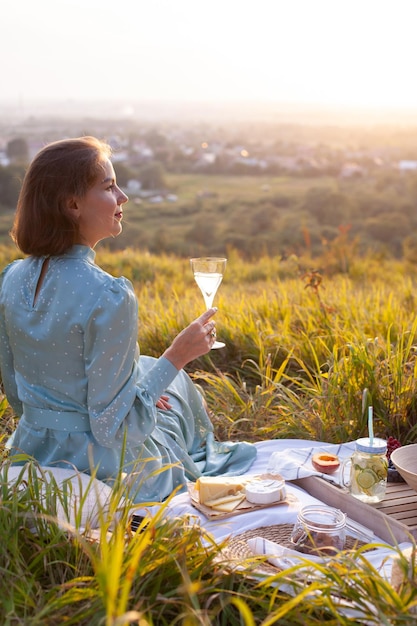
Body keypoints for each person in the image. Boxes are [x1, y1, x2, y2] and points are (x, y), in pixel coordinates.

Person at [0, 136, 256, 504]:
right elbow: (117, 429)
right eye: (108, 186)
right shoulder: (109, 295)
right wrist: (177, 356)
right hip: (106, 468)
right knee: (175, 385)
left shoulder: (11, 278)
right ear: (72, 204)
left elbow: (18, 394)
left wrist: (136, 383)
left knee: (147, 370)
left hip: (33, 450)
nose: (123, 196)